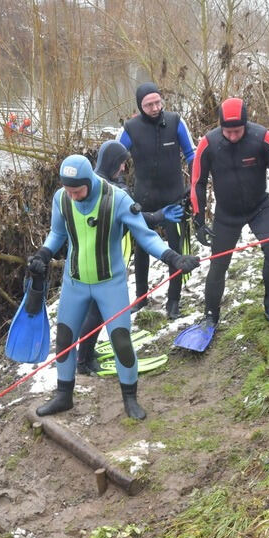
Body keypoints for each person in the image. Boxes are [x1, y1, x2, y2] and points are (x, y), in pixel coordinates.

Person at [27, 152, 199, 420]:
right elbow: (57, 233)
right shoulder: (62, 199)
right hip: (75, 283)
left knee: (120, 341)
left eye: (77, 191)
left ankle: (130, 399)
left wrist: (172, 257)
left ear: (90, 182)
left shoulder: (117, 199)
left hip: (111, 284)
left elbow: (145, 234)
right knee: (64, 338)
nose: (72, 196)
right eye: (68, 190)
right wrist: (42, 255)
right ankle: (64, 396)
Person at [191, 97, 269, 327]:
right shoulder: (208, 143)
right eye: (227, 132)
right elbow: (197, 183)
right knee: (218, 263)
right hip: (226, 214)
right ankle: (210, 315)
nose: (232, 136)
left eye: (238, 131)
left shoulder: (262, 138)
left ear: (246, 124)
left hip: (259, 207)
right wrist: (199, 220)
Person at [75, 141, 182, 374]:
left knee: (94, 310)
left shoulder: (94, 181)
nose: (124, 168)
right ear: (113, 162)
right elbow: (135, 220)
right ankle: (83, 362)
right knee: (98, 311)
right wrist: (158, 216)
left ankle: (86, 352)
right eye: (122, 163)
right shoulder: (112, 191)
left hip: (88, 257)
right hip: (102, 261)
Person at [118, 82, 196, 318]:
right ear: (140, 106)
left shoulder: (175, 121)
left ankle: (173, 301)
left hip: (174, 198)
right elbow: (115, 160)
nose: (154, 108)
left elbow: (192, 154)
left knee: (176, 250)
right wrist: (122, 188)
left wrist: (194, 187)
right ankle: (141, 298)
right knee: (141, 251)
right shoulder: (131, 128)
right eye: (148, 104)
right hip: (144, 200)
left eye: (157, 102)